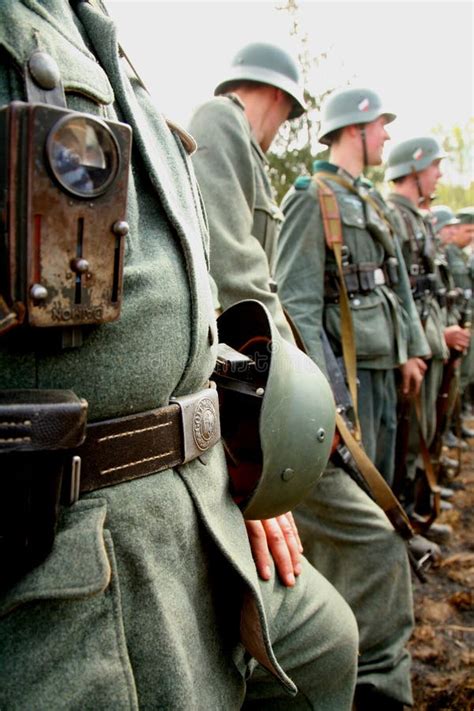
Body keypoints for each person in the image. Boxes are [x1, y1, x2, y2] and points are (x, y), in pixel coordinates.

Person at [0, 4, 359, 710]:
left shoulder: (93, 32)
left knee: (325, 643)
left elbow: (178, 294)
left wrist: (227, 455)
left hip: (201, 489)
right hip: (76, 536)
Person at [190, 65, 416, 710]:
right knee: (371, 542)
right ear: (283, 95)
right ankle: (377, 687)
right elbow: (239, 280)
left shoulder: (252, 154)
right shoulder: (219, 121)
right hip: (260, 398)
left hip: (278, 390)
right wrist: (302, 394)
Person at [386, 138, 470, 539]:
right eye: (433, 166)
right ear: (414, 168)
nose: (438, 174)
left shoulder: (416, 219)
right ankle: (407, 523)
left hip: (432, 340)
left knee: (428, 428)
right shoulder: (393, 216)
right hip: (416, 346)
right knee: (409, 439)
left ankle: (420, 509)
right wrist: (423, 342)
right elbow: (401, 296)